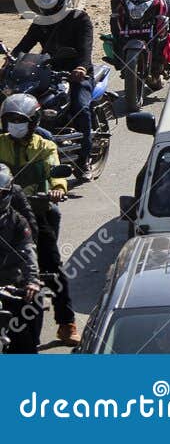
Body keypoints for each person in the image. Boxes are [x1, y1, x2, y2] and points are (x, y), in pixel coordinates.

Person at [0, 94, 72, 347]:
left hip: (37, 212)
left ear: (33, 122)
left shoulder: (45, 147)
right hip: (3, 213)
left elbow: (56, 170)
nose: (14, 124)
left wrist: (58, 188)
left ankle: (66, 321)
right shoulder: (0, 144)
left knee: (51, 266)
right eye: (9, 120)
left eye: (19, 120)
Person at [8, 0, 94, 174]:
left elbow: (86, 49)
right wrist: (10, 61)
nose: (47, 1)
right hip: (46, 71)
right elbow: (24, 46)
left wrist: (81, 68)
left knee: (81, 107)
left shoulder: (79, 18)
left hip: (75, 74)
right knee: (19, 101)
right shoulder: (40, 22)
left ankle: (85, 158)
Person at [0, 163, 42, 353]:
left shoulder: (17, 221)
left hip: (9, 283)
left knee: (32, 309)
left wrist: (32, 280)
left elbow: (27, 250)